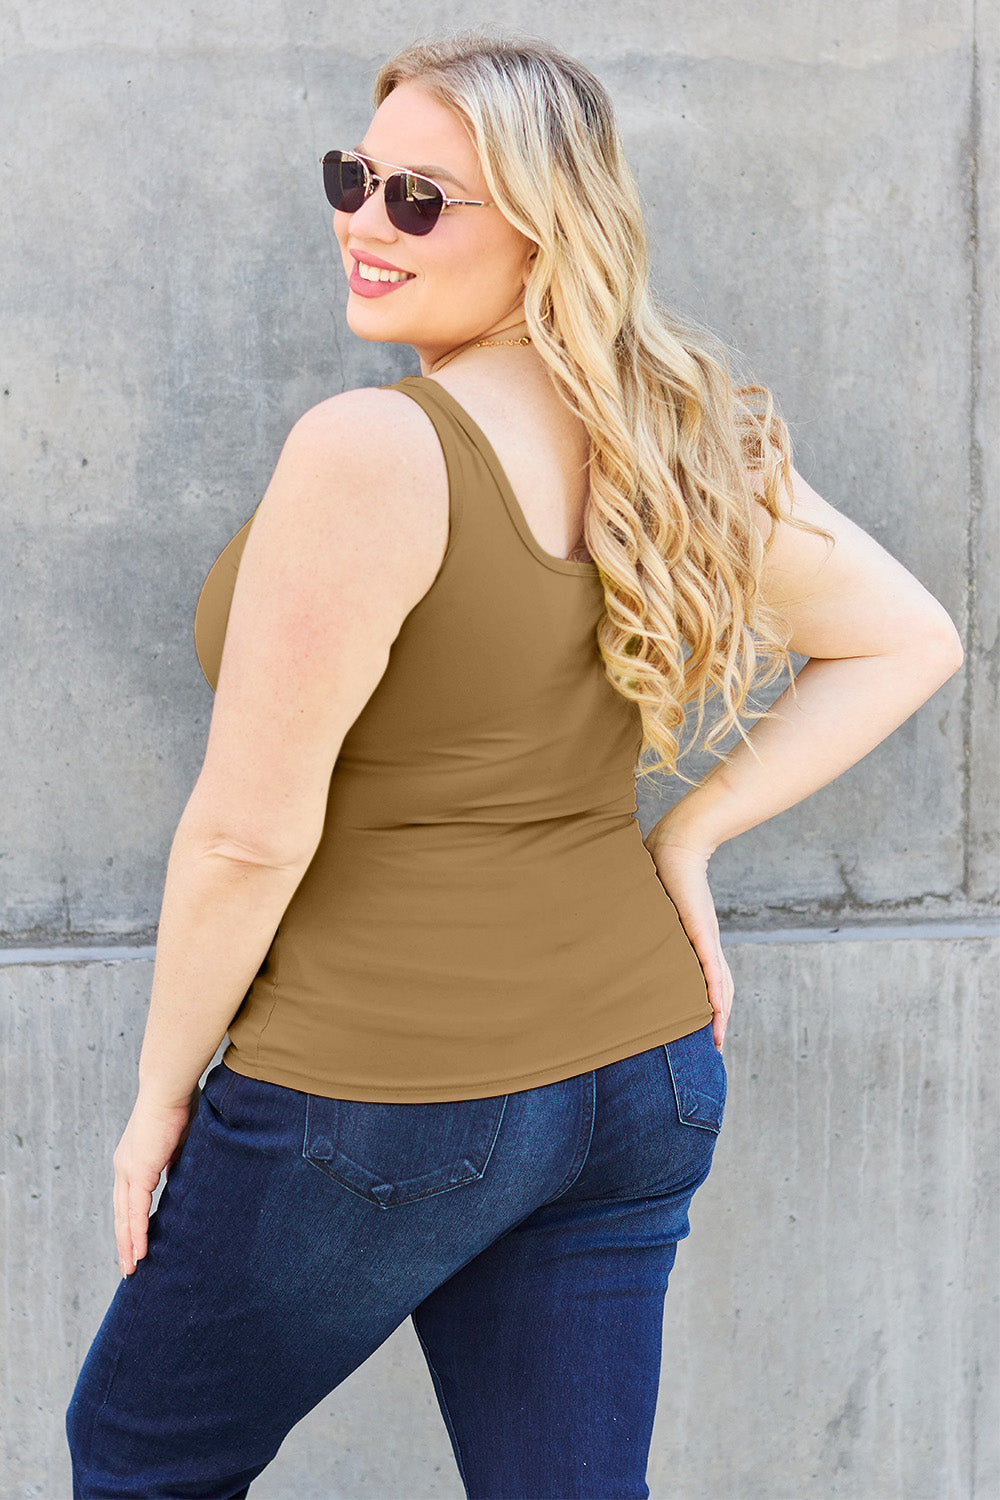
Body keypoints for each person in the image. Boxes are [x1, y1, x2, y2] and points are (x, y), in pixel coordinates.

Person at [65, 31, 963, 1500]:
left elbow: (244, 839)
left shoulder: (374, 450)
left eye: (422, 199)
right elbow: (908, 638)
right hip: (640, 1075)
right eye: (354, 177)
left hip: (379, 1088)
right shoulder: (682, 438)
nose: (364, 220)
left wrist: (158, 1100)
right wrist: (682, 843)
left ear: (548, 229)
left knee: (142, 1458)